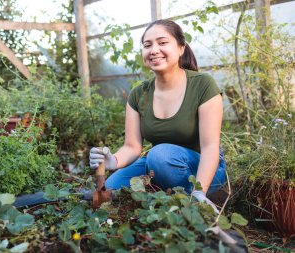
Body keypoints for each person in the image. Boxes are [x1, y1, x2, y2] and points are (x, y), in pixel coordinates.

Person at [89, 19, 226, 213]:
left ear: (180, 48)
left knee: (160, 155)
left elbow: (210, 147)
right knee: (111, 190)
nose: (154, 50)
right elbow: (132, 146)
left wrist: (199, 191)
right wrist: (113, 161)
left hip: (204, 168)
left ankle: (190, 201)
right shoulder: (139, 94)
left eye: (162, 43)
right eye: (147, 45)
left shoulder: (203, 85)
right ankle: (165, 195)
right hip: (157, 164)